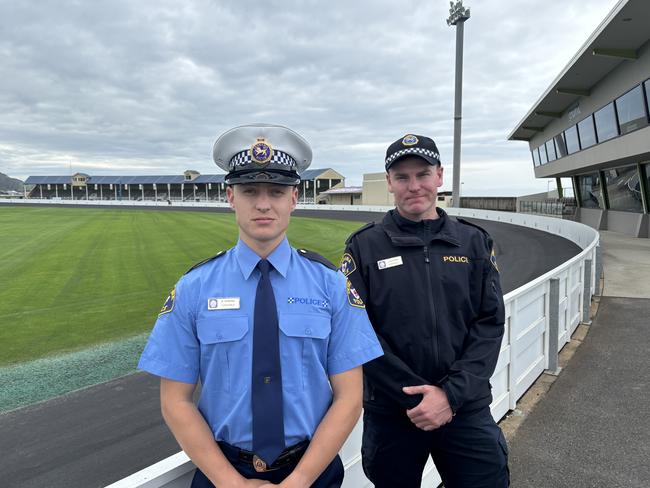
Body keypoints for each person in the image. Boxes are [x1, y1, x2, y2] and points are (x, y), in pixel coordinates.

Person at [138, 124, 383, 488]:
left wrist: (298, 481)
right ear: (231, 197)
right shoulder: (193, 288)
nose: (264, 203)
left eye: (277, 191)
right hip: (222, 473)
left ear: (294, 198)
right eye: (250, 190)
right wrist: (230, 482)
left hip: (311, 472)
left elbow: (350, 397)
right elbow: (176, 401)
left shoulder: (331, 285)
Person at [342, 134, 509, 487]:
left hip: (464, 407)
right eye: (402, 177)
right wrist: (417, 395)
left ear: (440, 176)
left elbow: (490, 324)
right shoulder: (364, 246)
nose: (413, 186)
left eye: (423, 174)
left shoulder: (474, 242)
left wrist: (449, 395)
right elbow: (357, 330)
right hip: (393, 411)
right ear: (389, 183)